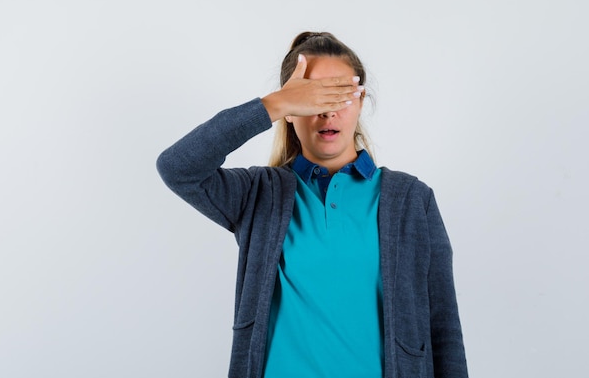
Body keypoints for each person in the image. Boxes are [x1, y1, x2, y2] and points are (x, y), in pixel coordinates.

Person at [156, 31, 468, 378]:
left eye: (341, 95)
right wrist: (271, 105)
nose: (328, 111)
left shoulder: (411, 199)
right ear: (290, 111)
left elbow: (444, 329)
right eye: (311, 98)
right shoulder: (259, 193)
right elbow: (178, 168)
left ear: (361, 101)